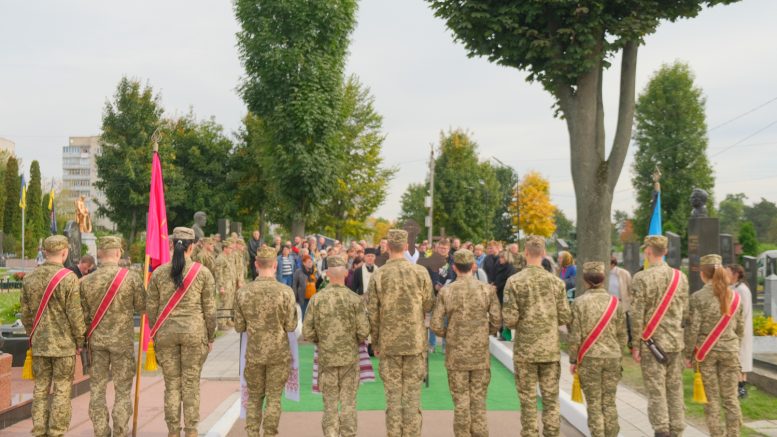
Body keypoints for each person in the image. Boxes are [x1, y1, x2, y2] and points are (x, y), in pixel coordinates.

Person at [146, 227, 216, 437]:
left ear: (171, 244)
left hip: (166, 334)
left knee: (172, 385)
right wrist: (210, 336)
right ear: (191, 247)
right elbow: (210, 310)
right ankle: (191, 431)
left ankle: (173, 431)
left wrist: (156, 333)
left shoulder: (159, 273)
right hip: (194, 333)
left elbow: (151, 309)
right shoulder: (202, 273)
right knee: (191, 384)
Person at [367, 229, 434, 437]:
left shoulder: (379, 274)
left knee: (393, 399)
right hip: (415, 343)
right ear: (406, 247)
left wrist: (375, 343)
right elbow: (429, 304)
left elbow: (372, 313)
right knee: (412, 398)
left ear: (387, 247)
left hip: (389, 344)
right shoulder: (420, 272)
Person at [502, 235, 570, 437]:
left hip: (526, 350)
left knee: (528, 399)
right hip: (549, 350)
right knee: (551, 399)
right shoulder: (556, 282)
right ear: (544, 253)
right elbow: (565, 316)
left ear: (525, 253)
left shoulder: (514, 281)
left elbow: (510, 319)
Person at [21, 235, 87, 437]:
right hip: (63, 346)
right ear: (65, 252)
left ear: (44, 252)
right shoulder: (69, 278)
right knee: (62, 389)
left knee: (40, 389)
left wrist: (33, 334)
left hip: (40, 345)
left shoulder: (30, 278)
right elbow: (75, 314)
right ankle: (56, 432)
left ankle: (39, 430)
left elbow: (25, 315)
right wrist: (80, 340)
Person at [431, 249, 501, 437]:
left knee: (461, 402)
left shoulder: (447, 291)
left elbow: (435, 324)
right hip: (479, 355)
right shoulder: (487, 290)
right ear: (473, 266)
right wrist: (483, 333)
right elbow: (496, 320)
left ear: (454, 267)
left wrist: (450, 334)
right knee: (478, 401)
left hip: (456, 356)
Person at [80, 236, 145, 437]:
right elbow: (142, 307)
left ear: (99, 254)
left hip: (96, 344)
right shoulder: (131, 278)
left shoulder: (86, 281)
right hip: (122, 344)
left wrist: (81, 342)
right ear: (118, 253)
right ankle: (120, 431)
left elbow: (81, 316)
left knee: (97, 391)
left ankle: (101, 432)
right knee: (123, 390)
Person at [302, 255, 370, 437]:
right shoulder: (355, 299)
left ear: (327, 274)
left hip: (327, 359)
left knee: (330, 405)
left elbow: (307, 332)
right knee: (348, 404)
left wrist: (323, 340)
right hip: (349, 360)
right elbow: (364, 331)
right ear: (346, 273)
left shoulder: (317, 299)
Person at [235, 245, 298, 437]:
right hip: (278, 354)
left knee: (254, 398)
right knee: (273, 398)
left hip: (254, 354)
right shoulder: (285, 292)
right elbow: (291, 326)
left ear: (256, 264)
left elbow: (239, 326)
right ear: (275, 265)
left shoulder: (243, 292)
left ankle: (252, 434)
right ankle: (269, 434)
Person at [630, 235, 689, 437]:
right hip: (675, 342)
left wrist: (635, 345)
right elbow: (685, 312)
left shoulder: (641, 278)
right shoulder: (680, 277)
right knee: (675, 389)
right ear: (665, 252)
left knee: (656, 390)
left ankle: (662, 431)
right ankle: (677, 429)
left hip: (652, 344)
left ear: (648, 251)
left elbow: (637, 315)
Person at [687, 255, 744, 437]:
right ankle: (733, 434)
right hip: (730, 351)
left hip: (706, 353)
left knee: (711, 400)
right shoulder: (735, 296)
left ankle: (717, 434)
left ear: (703, 274)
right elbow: (740, 329)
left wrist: (688, 354)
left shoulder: (697, 297)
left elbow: (693, 329)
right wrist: (734, 346)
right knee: (731, 398)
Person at [568, 262, 628, 437]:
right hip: (612, 357)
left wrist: (573, 360)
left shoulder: (579, 303)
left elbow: (575, 336)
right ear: (603, 279)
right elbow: (622, 334)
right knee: (609, 402)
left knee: (594, 404)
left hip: (589, 358)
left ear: (585, 280)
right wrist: (618, 354)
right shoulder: (615, 303)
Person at [727, 263, 753, 398]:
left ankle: (741, 387)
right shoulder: (733, 288)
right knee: (738, 358)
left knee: (741, 357)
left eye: (728, 273)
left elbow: (743, 312)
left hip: (740, 328)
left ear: (736, 274)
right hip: (735, 328)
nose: (726, 275)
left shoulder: (742, 290)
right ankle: (739, 385)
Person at [214, 239, 237, 330]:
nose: (231, 249)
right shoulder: (220, 258)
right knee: (223, 303)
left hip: (230, 284)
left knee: (229, 302)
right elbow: (218, 274)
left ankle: (227, 320)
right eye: (230, 248)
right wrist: (221, 287)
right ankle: (221, 323)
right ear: (225, 248)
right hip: (224, 285)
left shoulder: (228, 257)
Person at [293, 254, 321, 319]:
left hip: (313, 296)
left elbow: (317, 284)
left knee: (313, 315)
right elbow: (294, 285)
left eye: (311, 262)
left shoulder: (314, 271)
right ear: (304, 263)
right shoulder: (298, 271)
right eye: (309, 262)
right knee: (304, 314)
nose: (311, 263)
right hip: (303, 297)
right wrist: (295, 297)